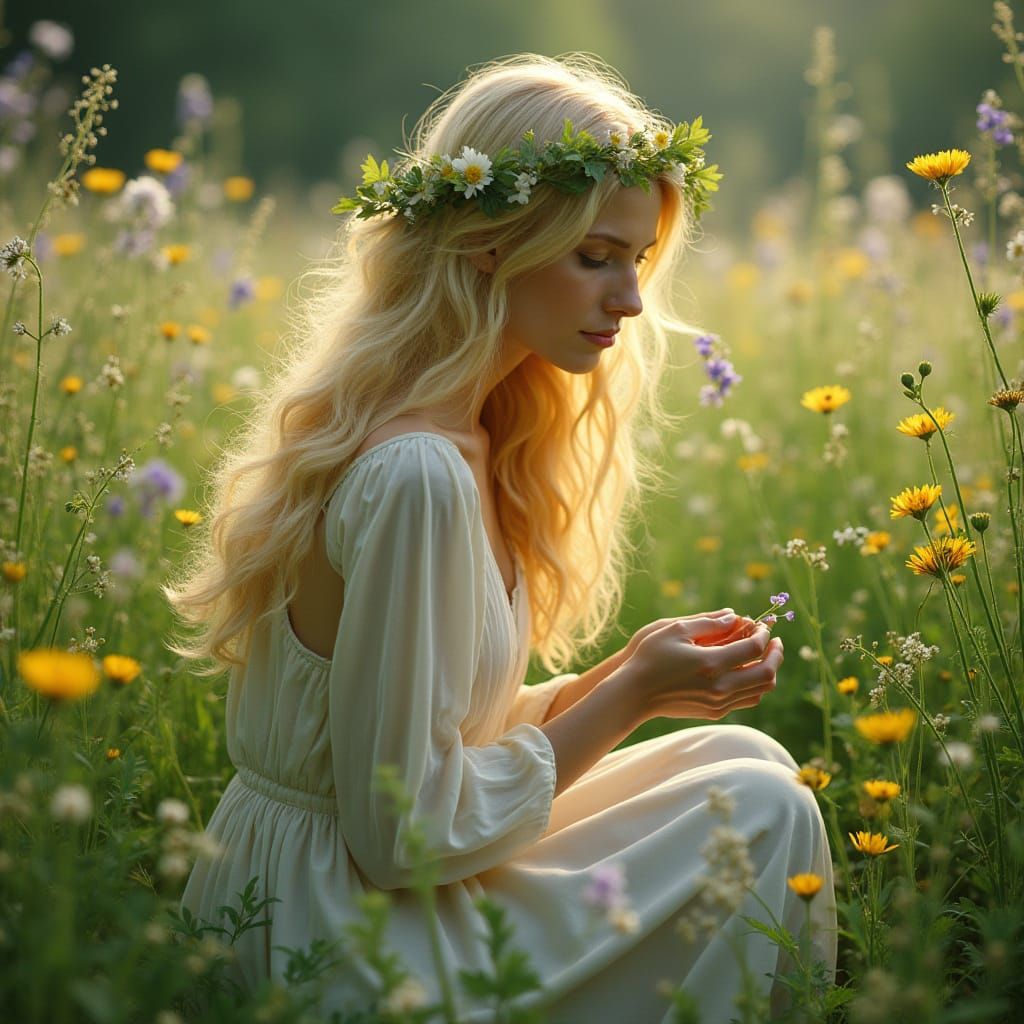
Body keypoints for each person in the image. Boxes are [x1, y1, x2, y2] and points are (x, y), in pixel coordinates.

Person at [166, 53, 837, 1023]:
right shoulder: (417, 473)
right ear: (487, 244)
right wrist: (632, 698)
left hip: (354, 878)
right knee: (767, 812)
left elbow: (435, 729)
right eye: (595, 257)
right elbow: (401, 832)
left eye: (638, 260)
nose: (631, 300)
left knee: (748, 763)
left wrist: (627, 674)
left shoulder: (472, 435)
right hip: (332, 927)